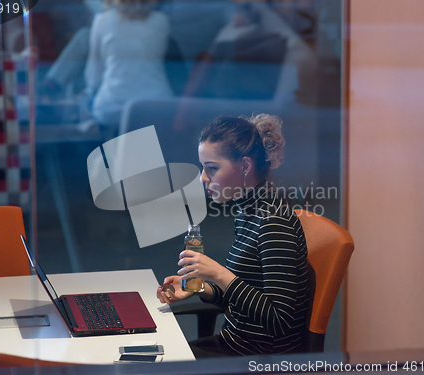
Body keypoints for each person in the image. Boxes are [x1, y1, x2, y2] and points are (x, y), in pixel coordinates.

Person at [157, 114, 310, 358]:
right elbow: (242, 295)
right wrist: (199, 288)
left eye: (212, 168)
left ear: (246, 166)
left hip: (258, 359)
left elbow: (280, 321)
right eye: (203, 168)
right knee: (149, 359)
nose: (203, 178)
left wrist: (219, 273)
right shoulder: (247, 211)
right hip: (233, 346)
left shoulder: (273, 223)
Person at [82, 0, 174, 126]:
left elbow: (93, 77)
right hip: (157, 105)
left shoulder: (102, 21)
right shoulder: (162, 20)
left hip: (112, 106)